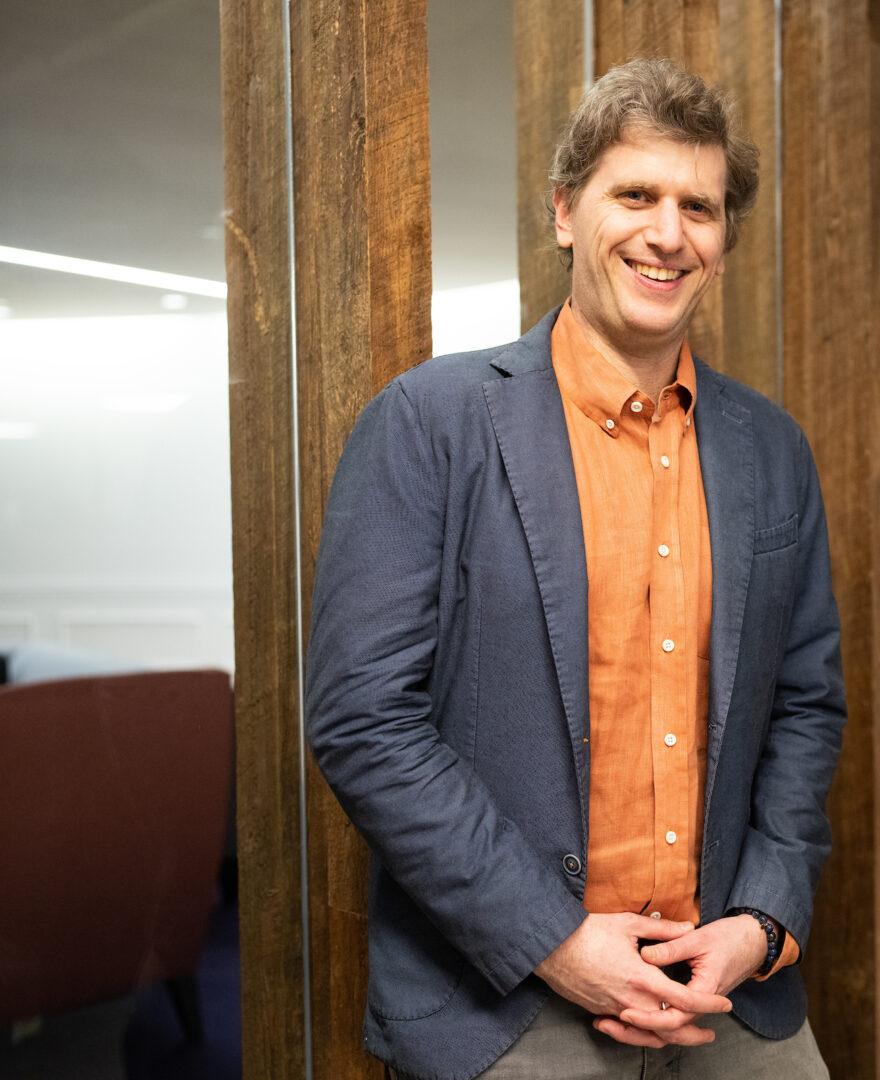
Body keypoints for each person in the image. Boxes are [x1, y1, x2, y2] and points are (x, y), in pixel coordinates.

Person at [305, 59, 844, 1080]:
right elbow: (363, 718)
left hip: (724, 987)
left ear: (723, 242)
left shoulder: (771, 449)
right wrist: (553, 939)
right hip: (507, 997)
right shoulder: (430, 423)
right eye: (634, 195)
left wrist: (763, 920)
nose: (667, 231)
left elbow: (807, 706)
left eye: (700, 205)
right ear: (564, 211)